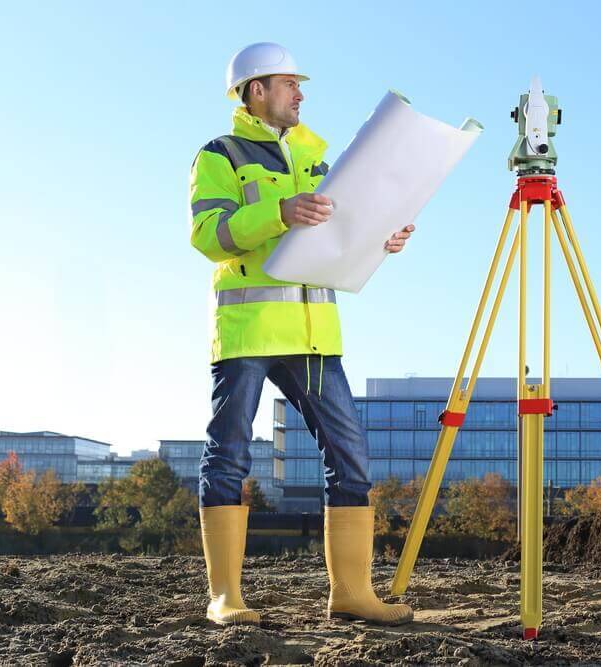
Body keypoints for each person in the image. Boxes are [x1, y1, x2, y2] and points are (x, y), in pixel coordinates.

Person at [188, 42, 414, 627]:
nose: (301, 94)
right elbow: (209, 235)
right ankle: (225, 598)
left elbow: (341, 233)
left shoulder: (318, 156)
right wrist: (279, 213)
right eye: (290, 83)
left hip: (314, 333)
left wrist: (380, 239)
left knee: (351, 458)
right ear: (256, 90)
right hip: (250, 331)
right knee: (229, 460)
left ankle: (352, 593)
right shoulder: (220, 155)